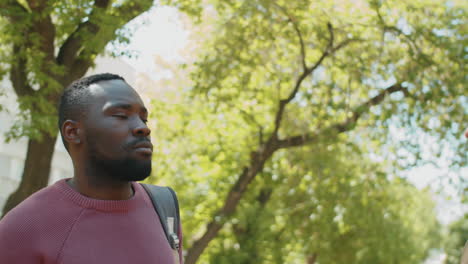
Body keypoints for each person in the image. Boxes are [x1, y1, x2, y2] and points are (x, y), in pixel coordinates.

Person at [0, 73, 182, 264]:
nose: (143, 128)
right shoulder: (23, 228)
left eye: (144, 119)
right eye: (121, 115)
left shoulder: (165, 206)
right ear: (73, 132)